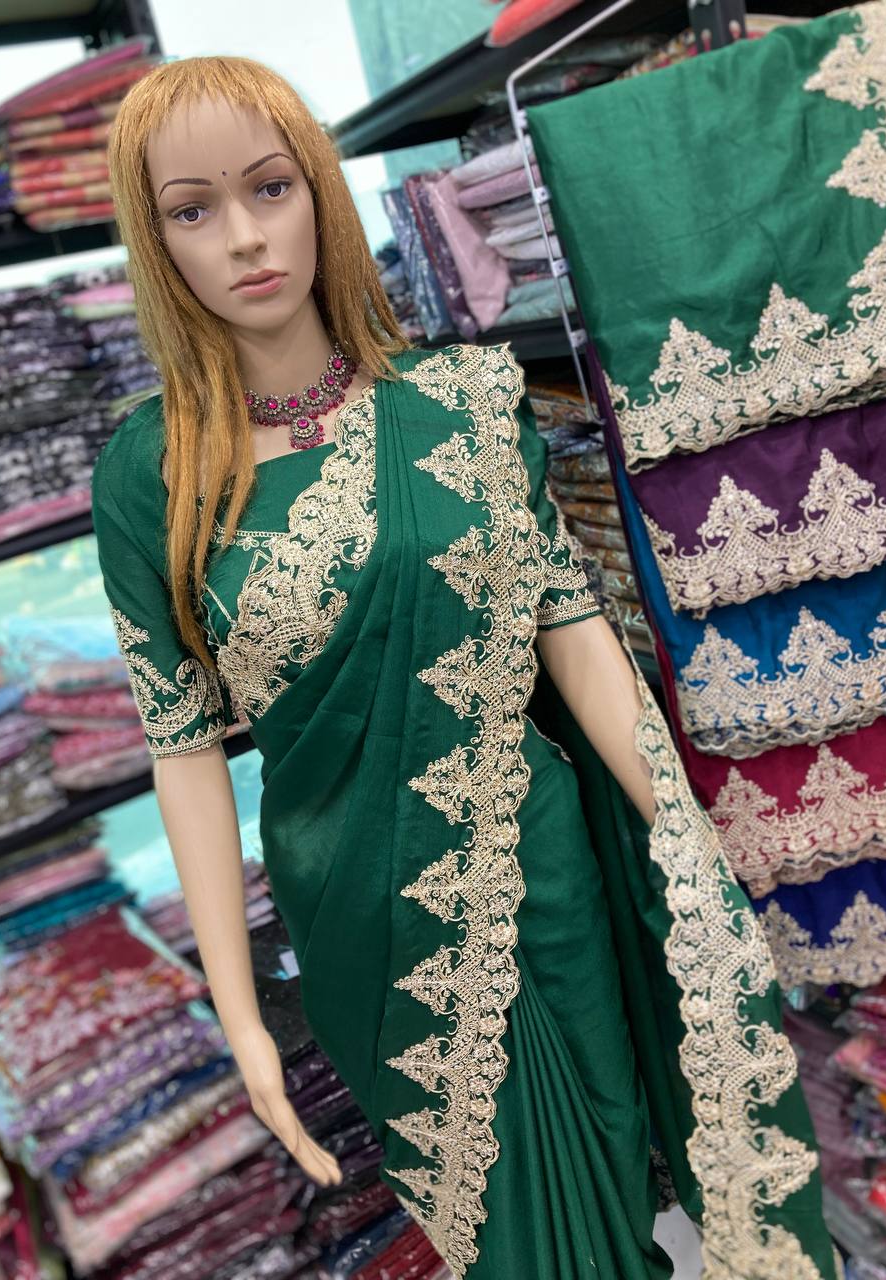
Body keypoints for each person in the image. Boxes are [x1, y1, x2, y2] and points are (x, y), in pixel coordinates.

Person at [91, 55, 842, 1280]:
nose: (244, 237)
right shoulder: (150, 476)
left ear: (318, 190)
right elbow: (182, 749)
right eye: (191, 209)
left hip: (539, 863)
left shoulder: (467, 403)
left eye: (270, 187)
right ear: (154, 237)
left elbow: (572, 630)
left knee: (613, 1173)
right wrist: (238, 1012)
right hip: (367, 922)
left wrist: (685, 843)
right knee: (510, 1243)